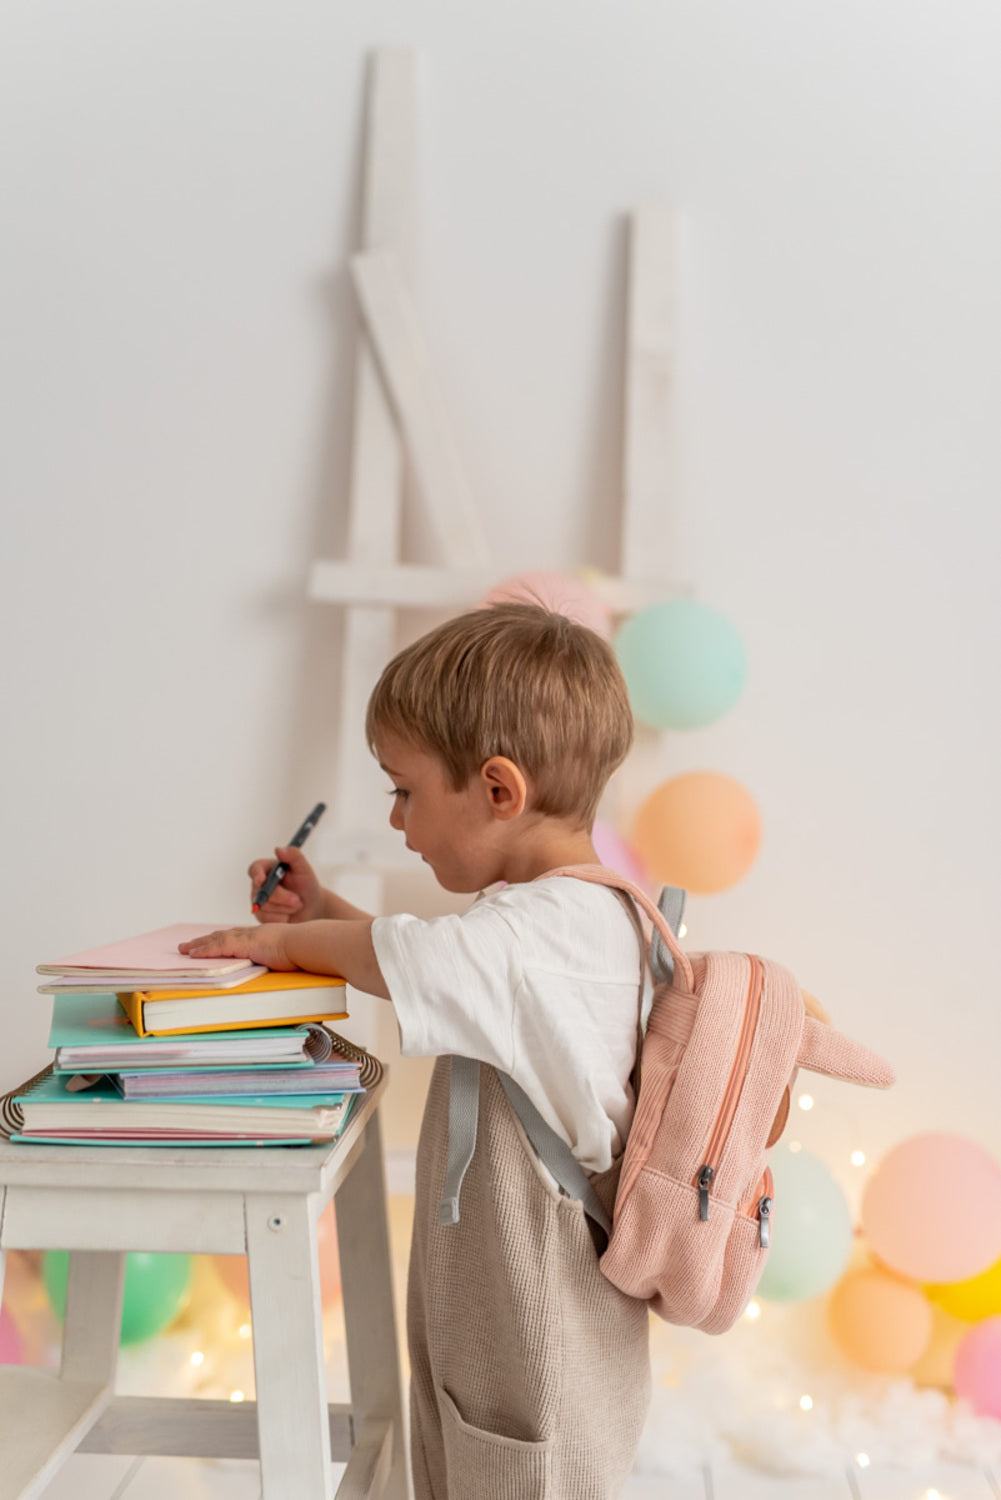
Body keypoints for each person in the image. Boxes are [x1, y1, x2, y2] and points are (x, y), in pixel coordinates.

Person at [180, 602, 653, 1498]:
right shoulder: (565, 920)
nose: (396, 818)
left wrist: (283, 946)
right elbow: (430, 971)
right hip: (511, 1287)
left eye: (404, 789)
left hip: (533, 1295)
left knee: (517, 1468)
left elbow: (421, 963)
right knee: (480, 1455)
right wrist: (322, 916)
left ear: (498, 790)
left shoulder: (534, 933)